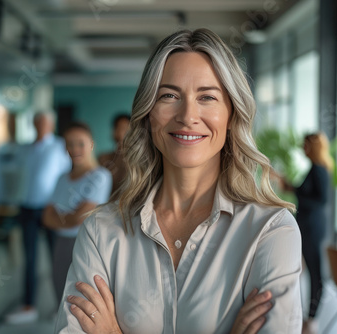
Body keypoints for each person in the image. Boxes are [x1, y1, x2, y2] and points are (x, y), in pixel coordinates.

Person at [54, 29, 302, 333]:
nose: (188, 115)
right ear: (148, 113)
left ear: (231, 114)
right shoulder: (100, 232)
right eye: (169, 96)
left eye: (207, 97)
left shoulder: (271, 231)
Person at [5, 110, 71, 324]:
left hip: (51, 209)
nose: (40, 126)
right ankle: (28, 305)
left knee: (56, 259)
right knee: (30, 259)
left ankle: (60, 305)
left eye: (44, 123)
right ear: (33, 124)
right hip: (27, 208)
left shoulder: (60, 147)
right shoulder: (25, 149)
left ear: (51, 125)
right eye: (37, 123)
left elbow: (66, 177)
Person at [43, 122, 112, 305]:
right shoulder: (61, 178)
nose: (75, 149)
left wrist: (62, 217)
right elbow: (47, 217)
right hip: (60, 244)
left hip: (85, 244)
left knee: (81, 300)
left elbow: (78, 218)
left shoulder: (100, 176)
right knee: (60, 294)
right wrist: (68, 218)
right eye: (70, 143)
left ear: (91, 144)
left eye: (80, 143)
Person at [281, 132, 332, 334]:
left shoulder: (319, 170)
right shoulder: (313, 169)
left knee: (315, 272)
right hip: (307, 225)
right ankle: (306, 316)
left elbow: (321, 201)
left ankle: (312, 318)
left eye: (305, 145)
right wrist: (292, 189)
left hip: (312, 226)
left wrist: (295, 195)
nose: (303, 148)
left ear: (313, 147)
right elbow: (307, 194)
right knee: (304, 270)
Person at [0, 112, 21, 228]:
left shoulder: (21, 149)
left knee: (15, 230)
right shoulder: (2, 148)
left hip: (17, 197)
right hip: (2, 194)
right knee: (2, 228)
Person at [98, 114, 130, 196]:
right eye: (118, 128)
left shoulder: (137, 160)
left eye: (125, 129)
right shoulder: (103, 158)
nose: (121, 133)